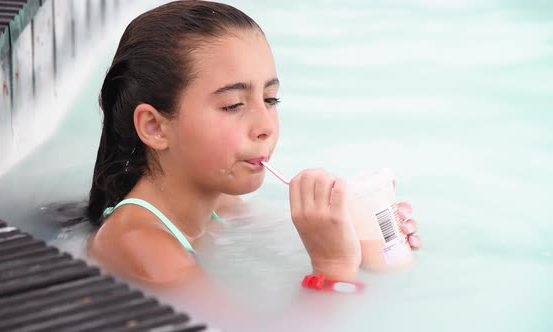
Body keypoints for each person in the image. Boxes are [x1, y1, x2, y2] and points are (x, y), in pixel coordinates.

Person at [87, 0, 421, 287]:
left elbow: (307, 246)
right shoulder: (138, 245)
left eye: (271, 99)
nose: (265, 126)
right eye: (233, 105)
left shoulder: (220, 206)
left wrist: (364, 236)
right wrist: (333, 268)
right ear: (155, 127)